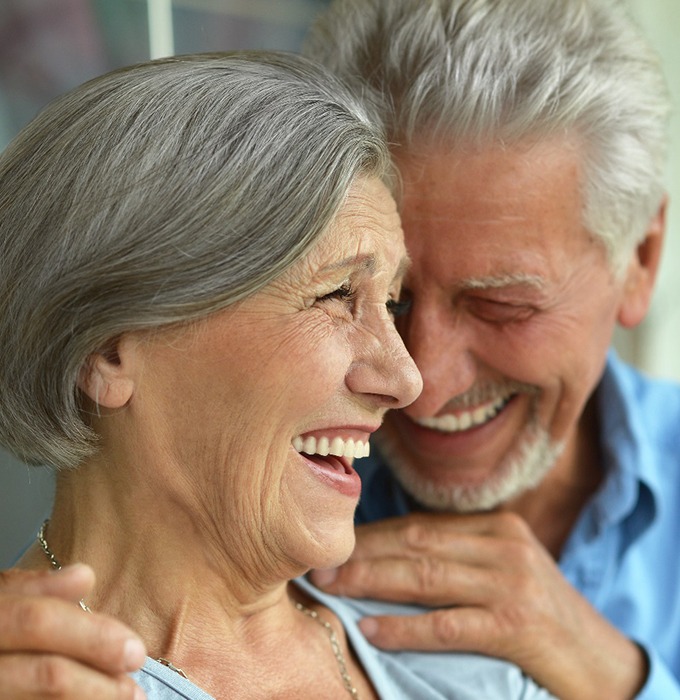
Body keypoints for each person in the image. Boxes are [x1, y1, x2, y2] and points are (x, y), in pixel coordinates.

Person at [0, 50, 561, 699]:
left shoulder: (472, 672)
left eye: (392, 304)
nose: (406, 380)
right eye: (336, 296)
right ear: (107, 350)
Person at [301, 0, 678, 698]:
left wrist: (617, 676)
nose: (425, 383)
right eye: (385, 299)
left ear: (642, 261)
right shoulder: (253, 483)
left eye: (503, 306)